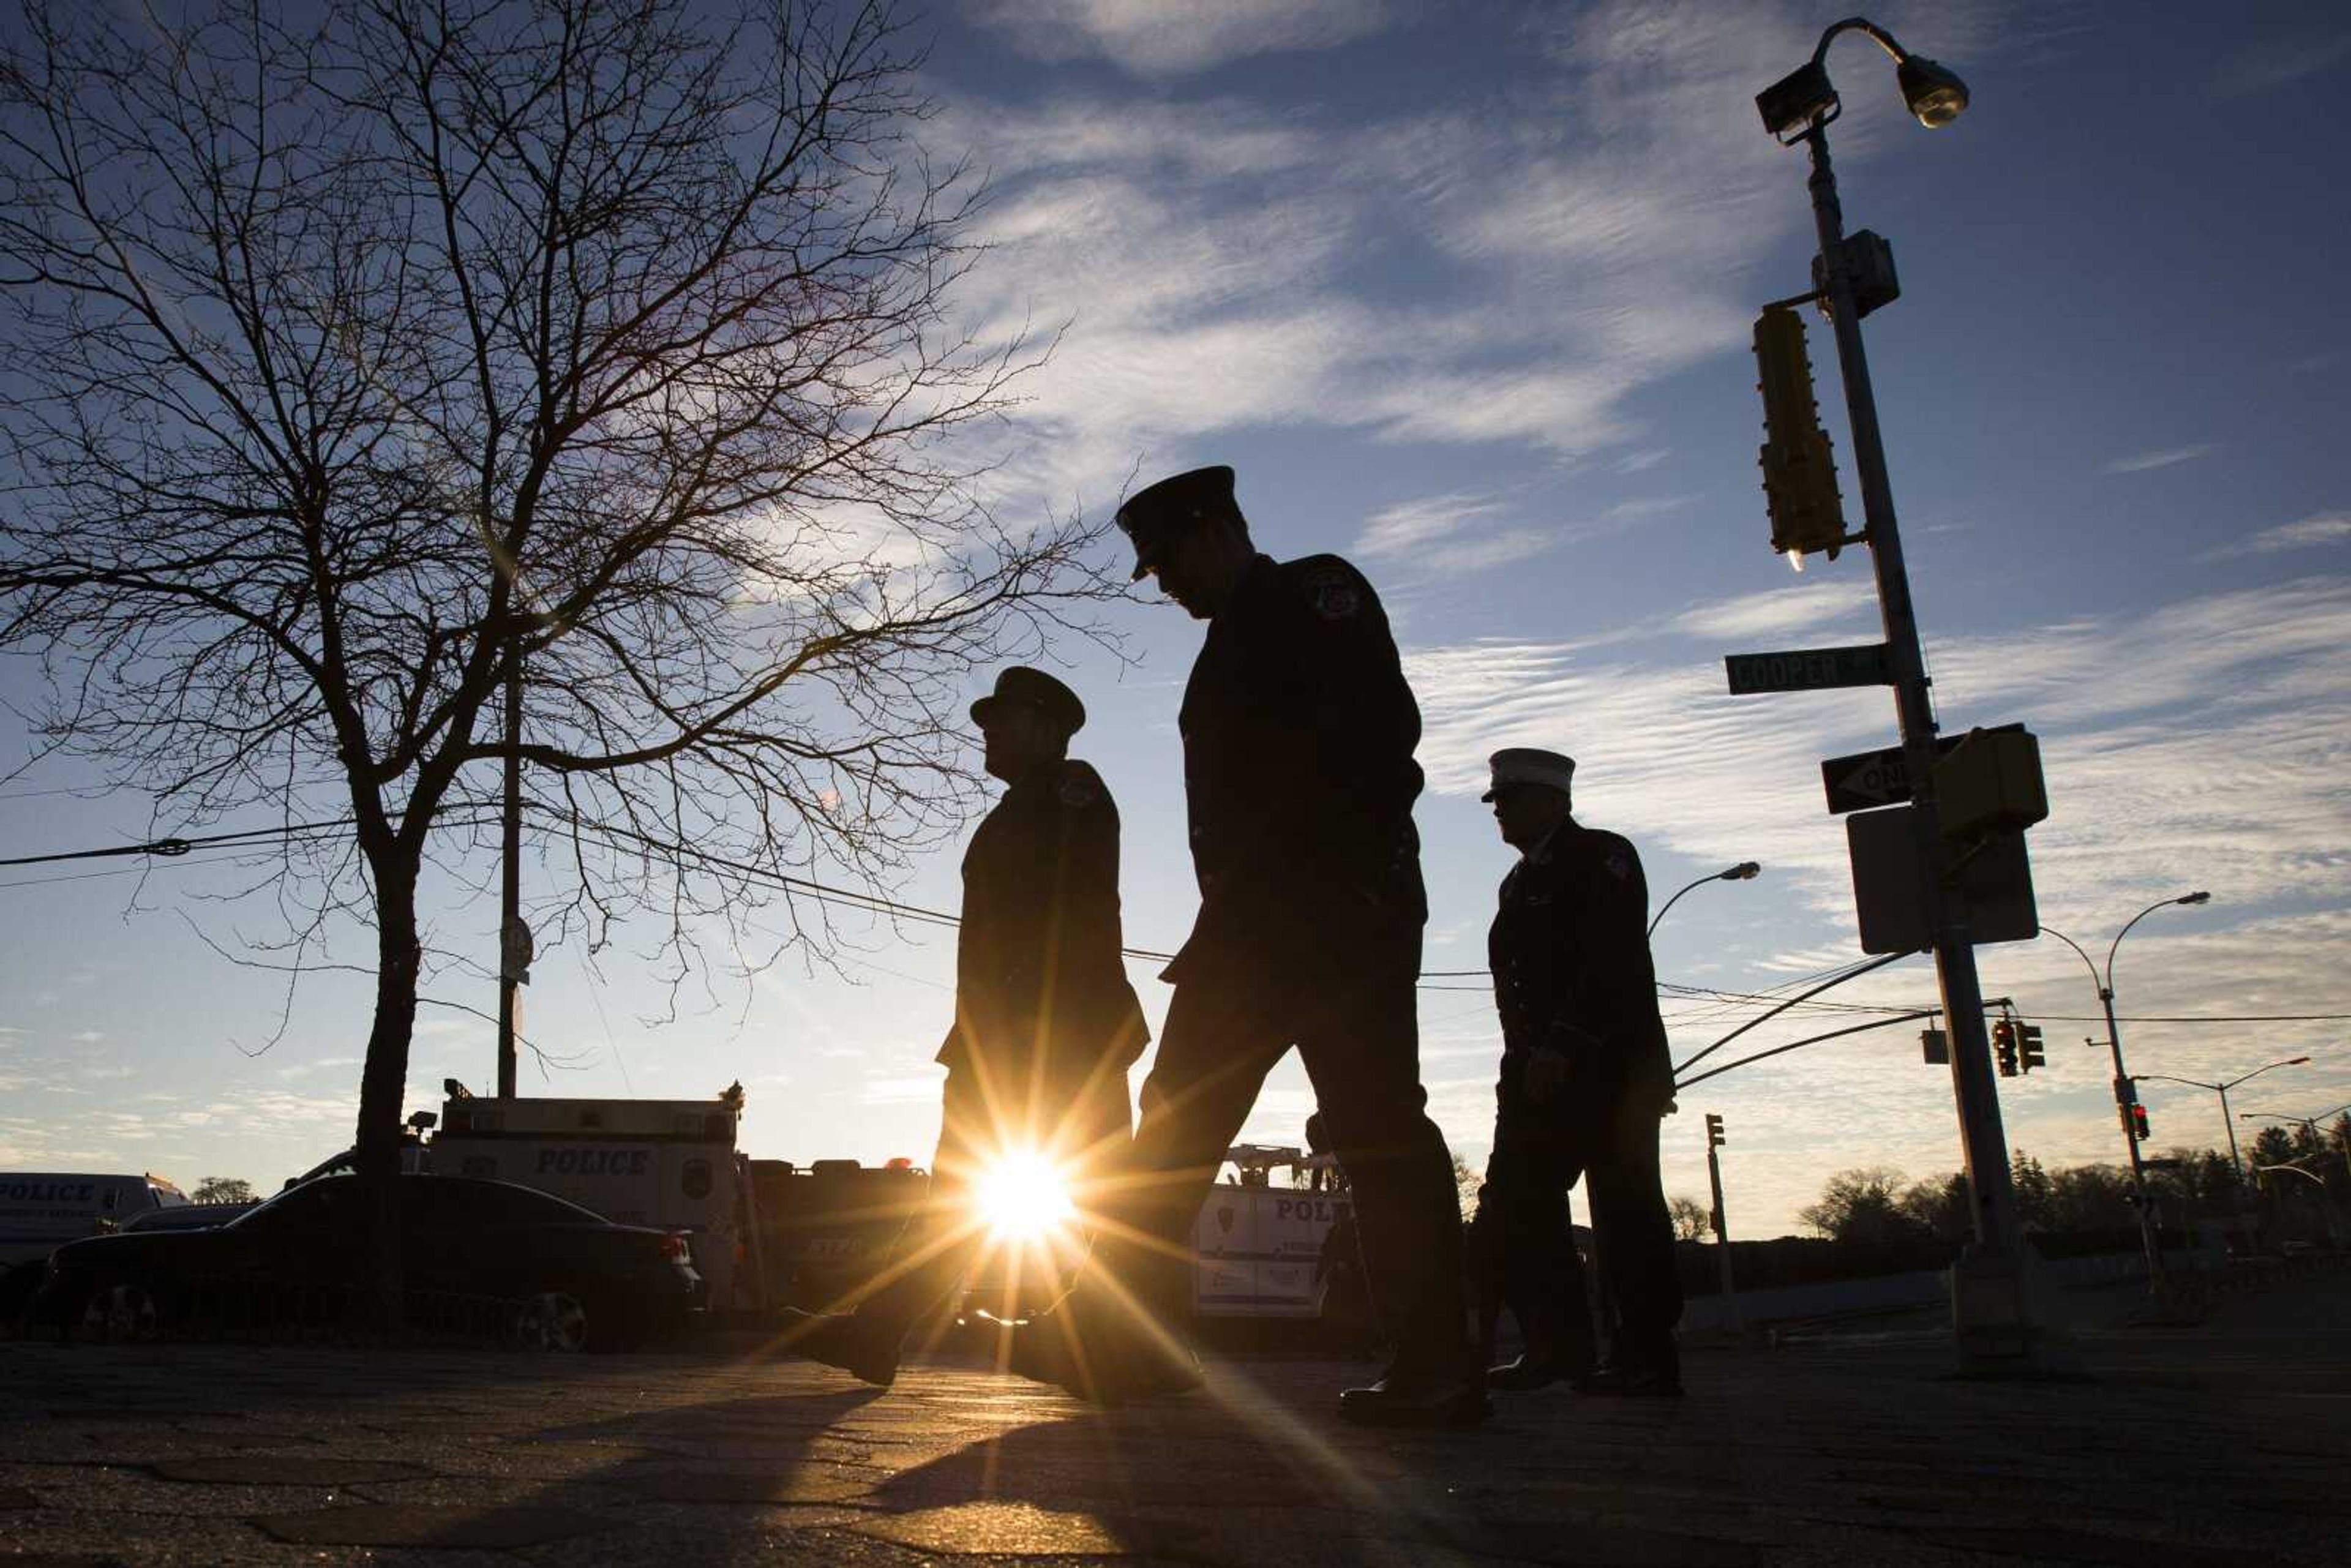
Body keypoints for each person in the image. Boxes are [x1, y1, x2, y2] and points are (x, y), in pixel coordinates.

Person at [1012, 463, 1483, 1427]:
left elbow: (1380, 738)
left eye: (1170, 557)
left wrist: (1311, 882)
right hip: (1249, 932)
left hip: (1339, 915)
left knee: (1378, 1128)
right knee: (1177, 1119)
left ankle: (1439, 1363)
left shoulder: (1314, 594)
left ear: (1218, 529)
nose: (1165, 581)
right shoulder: (1223, 647)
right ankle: (1110, 1335)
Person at [787, 666, 1147, 1386]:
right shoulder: (1014, 811)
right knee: (959, 1197)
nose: (987, 730)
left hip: (1059, 1036)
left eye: (1004, 718)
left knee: (1111, 1195)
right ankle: (880, 1333)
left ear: (1049, 729)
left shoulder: (1072, 794)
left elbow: (1068, 915)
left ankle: (1128, 1344)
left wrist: (1033, 1029)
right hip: (996, 1040)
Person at [1478, 747, 1684, 1395]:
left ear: (1554, 800)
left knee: (1626, 1210)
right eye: (1498, 802)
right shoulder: (1515, 884)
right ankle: (1556, 1345)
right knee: (1519, 1206)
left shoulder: (1604, 857)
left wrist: (1564, 1044)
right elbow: (1514, 986)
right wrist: (1522, 1061)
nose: (1501, 812)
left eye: (1511, 799)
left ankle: (1644, 1353)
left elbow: (1611, 960)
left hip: (1614, 1070)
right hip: (1536, 1077)